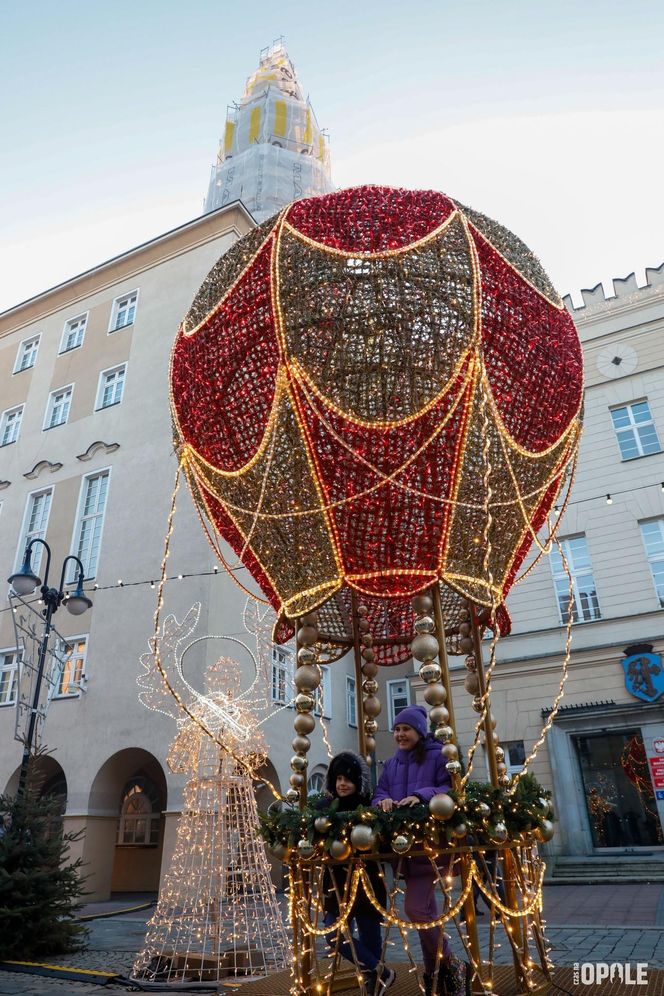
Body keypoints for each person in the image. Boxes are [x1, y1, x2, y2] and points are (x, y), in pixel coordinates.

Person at [372, 705, 468, 996]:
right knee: (426, 910)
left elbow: (449, 788)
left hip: (430, 844)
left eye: (406, 729)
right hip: (403, 849)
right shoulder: (391, 764)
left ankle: (452, 963)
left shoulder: (439, 755)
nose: (400, 734)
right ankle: (436, 974)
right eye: (397, 729)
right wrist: (384, 801)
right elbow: (380, 792)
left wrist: (419, 796)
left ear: (419, 731)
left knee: (415, 909)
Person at [320, 751, 396, 994]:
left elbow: (383, 844)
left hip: (367, 882)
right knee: (332, 934)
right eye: (339, 778)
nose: (343, 784)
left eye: (349, 779)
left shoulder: (368, 807)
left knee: (370, 938)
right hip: (336, 883)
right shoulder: (324, 811)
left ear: (358, 782)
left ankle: (374, 985)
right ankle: (382, 971)